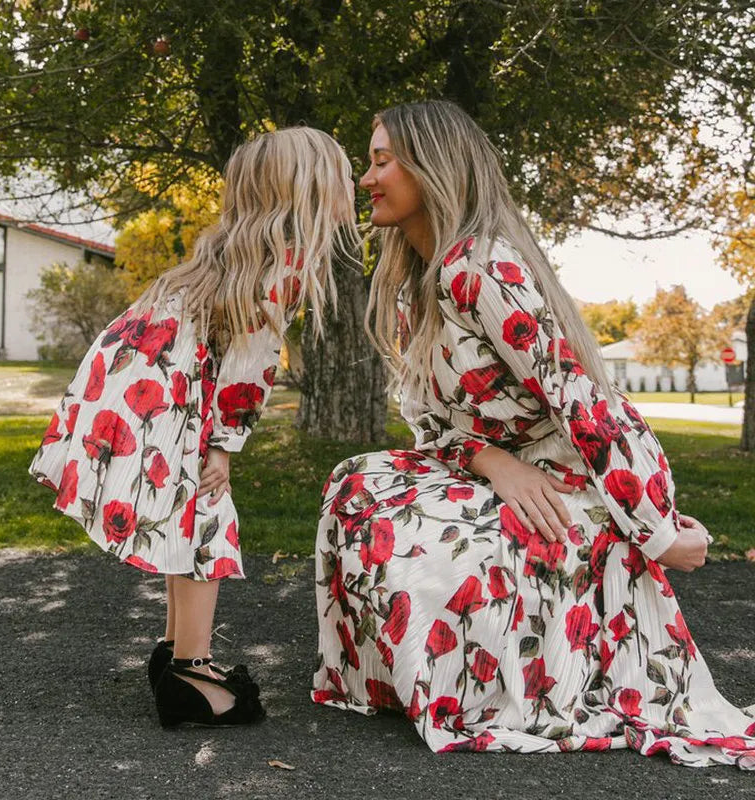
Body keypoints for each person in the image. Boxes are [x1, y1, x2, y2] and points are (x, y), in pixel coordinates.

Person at [311, 100, 755, 768]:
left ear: (433, 168)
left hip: (575, 480)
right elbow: (429, 422)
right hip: (504, 471)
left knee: (445, 542)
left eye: (381, 161)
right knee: (358, 483)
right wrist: (492, 461)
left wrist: (657, 532)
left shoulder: (485, 268)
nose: (365, 178)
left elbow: (586, 405)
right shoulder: (413, 284)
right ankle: (413, 680)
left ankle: (485, 687)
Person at [31, 126, 358, 728]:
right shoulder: (279, 259)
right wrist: (224, 444)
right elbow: (248, 365)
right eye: (340, 177)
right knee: (207, 515)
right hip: (164, 387)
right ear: (306, 191)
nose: (352, 187)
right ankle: (190, 670)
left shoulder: (233, 248)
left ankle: (174, 653)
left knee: (187, 515)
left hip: (135, 373)